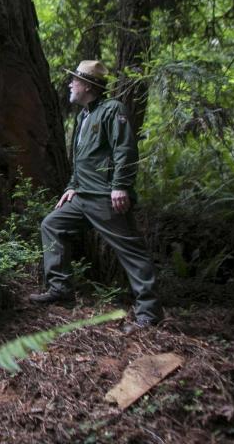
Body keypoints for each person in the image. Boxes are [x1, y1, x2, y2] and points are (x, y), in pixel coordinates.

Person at [29, 60, 161, 334]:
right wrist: (71, 186)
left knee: (131, 251)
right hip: (82, 196)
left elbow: (125, 149)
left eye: (74, 80)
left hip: (104, 197)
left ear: (87, 85)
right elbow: (81, 159)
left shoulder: (112, 110)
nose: (70, 84)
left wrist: (120, 186)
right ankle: (60, 289)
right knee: (51, 225)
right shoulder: (83, 116)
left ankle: (149, 312)